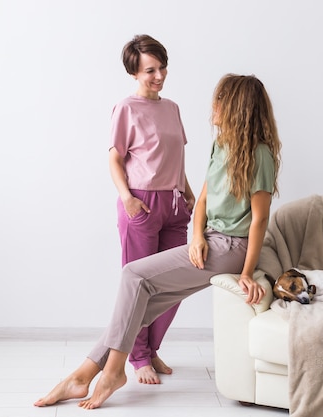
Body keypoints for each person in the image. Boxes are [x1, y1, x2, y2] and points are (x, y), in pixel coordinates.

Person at [34, 73, 282, 410]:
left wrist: (247, 271)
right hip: (210, 240)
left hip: (232, 249)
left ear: (237, 106)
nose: (213, 107)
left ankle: (112, 372)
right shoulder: (221, 145)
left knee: (133, 275)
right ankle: (82, 376)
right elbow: (205, 200)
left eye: (220, 100)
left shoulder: (260, 155)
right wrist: (196, 236)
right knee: (139, 309)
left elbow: (260, 220)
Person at [109, 34, 195, 385]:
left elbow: (177, 158)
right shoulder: (126, 109)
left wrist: (190, 195)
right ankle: (138, 356)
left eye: (161, 67)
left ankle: (152, 347)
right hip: (142, 202)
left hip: (175, 204)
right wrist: (128, 198)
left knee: (174, 286)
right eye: (150, 70)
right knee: (140, 285)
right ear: (134, 72)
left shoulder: (172, 107)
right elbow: (114, 158)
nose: (158, 75)